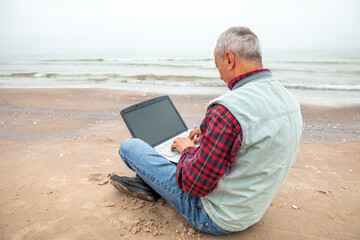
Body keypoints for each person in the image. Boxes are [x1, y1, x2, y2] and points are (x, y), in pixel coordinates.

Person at [110, 26, 303, 235]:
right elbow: (255, 134)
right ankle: (151, 182)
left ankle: (149, 183)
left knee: (130, 146)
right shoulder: (288, 100)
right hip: (253, 209)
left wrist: (186, 150)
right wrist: (208, 131)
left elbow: (194, 184)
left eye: (217, 65)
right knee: (183, 155)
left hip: (215, 216)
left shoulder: (227, 110)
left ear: (229, 59)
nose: (219, 73)